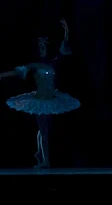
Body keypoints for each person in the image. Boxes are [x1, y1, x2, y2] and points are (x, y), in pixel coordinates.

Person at [0, 19, 80, 168]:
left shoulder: (53, 61)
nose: (42, 47)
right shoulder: (34, 66)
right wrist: (2, 75)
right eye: (40, 46)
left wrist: (67, 31)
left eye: (44, 45)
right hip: (40, 100)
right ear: (38, 49)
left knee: (44, 128)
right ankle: (46, 160)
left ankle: (39, 152)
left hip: (52, 98)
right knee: (44, 130)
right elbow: (17, 72)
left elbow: (64, 46)